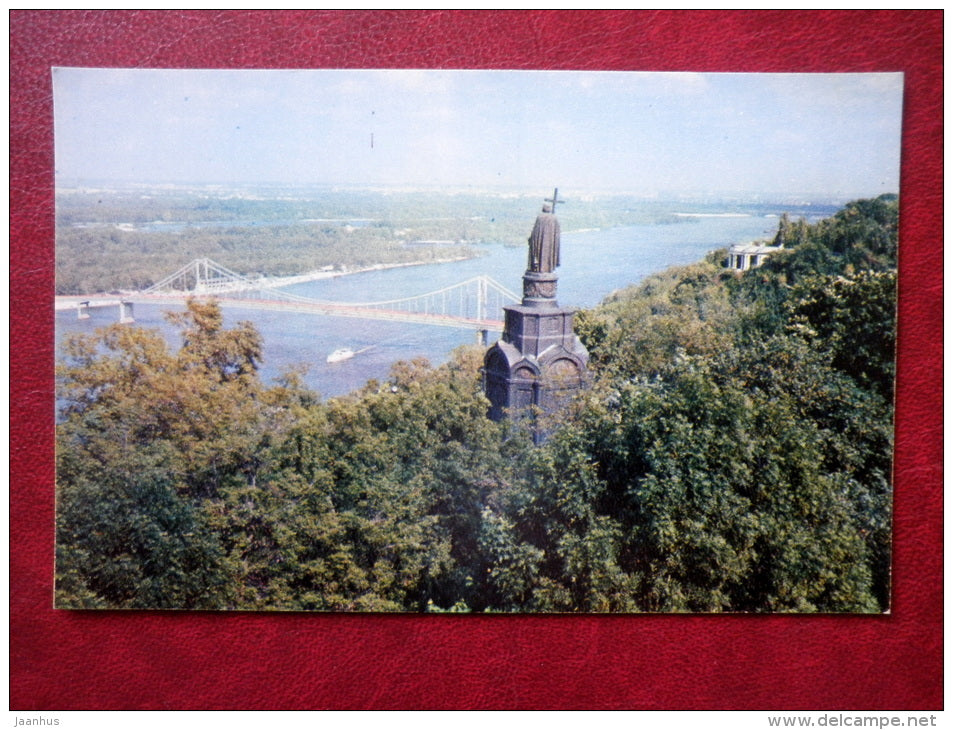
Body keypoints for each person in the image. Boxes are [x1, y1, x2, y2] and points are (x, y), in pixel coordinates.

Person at [527, 204, 560, 273]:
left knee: (539, 254)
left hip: (540, 242)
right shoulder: (553, 218)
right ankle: (548, 267)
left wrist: (532, 239)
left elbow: (535, 231)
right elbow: (556, 233)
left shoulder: (540, 217)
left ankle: (540, 268)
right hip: (550, 243)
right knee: (548, 254)